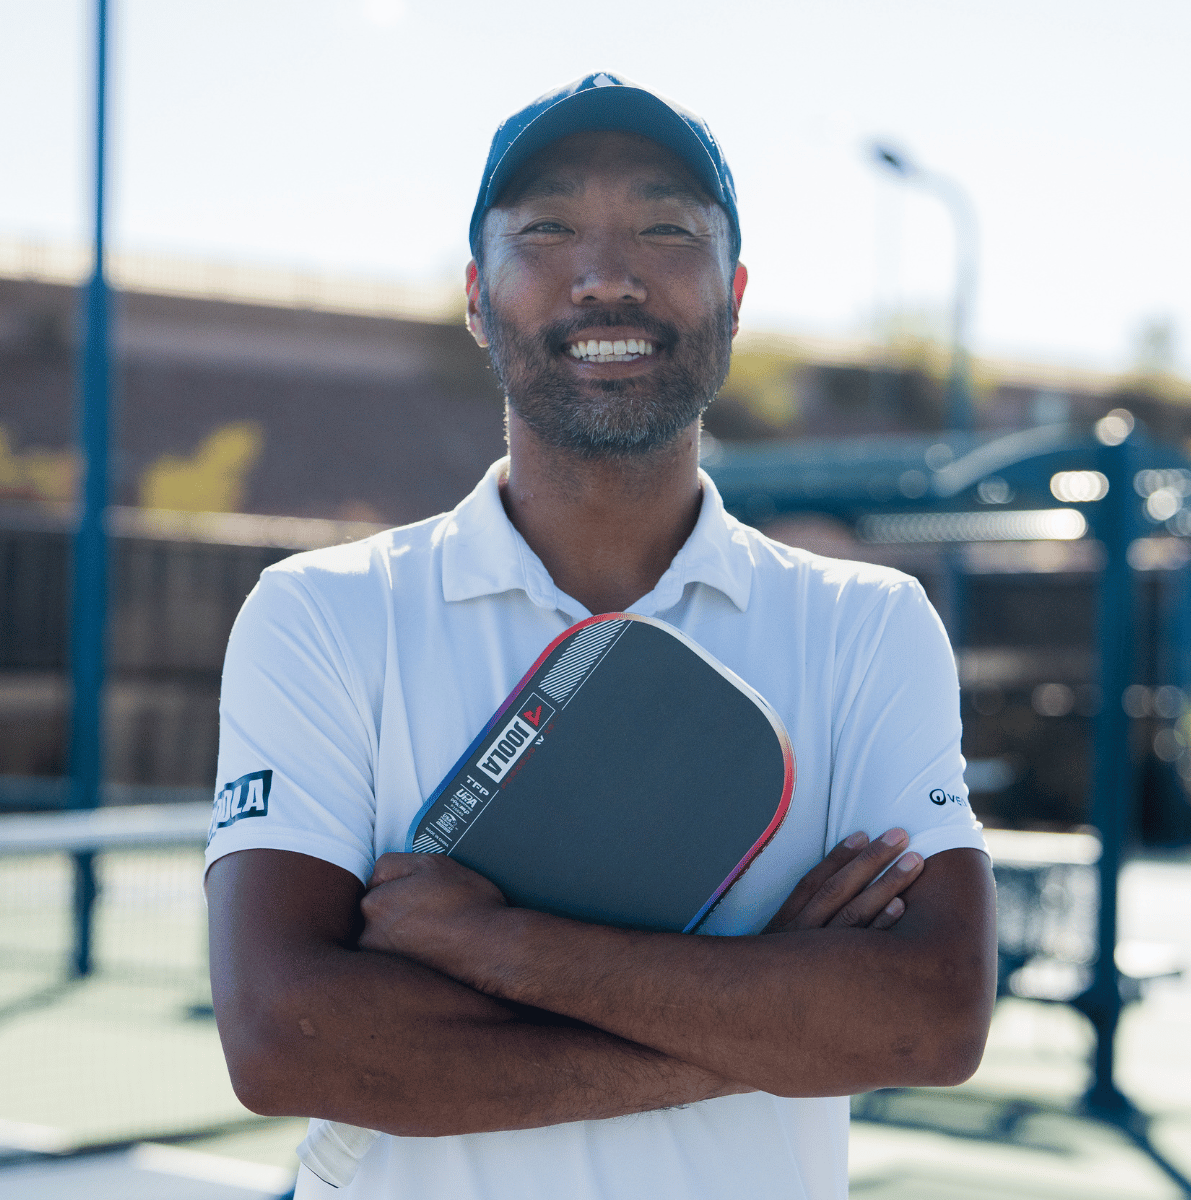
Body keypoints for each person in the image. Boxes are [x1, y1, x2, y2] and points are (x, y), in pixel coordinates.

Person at [205, 73, 996, 1200]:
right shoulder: (323, 613)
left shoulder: (865, 625)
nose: (608, 275)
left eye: (666, 230)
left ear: (735, 294)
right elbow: (286, 1040)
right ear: (477, 296)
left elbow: (931, 1019)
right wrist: (777, 1013)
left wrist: (499, 948)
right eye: (548, 230)